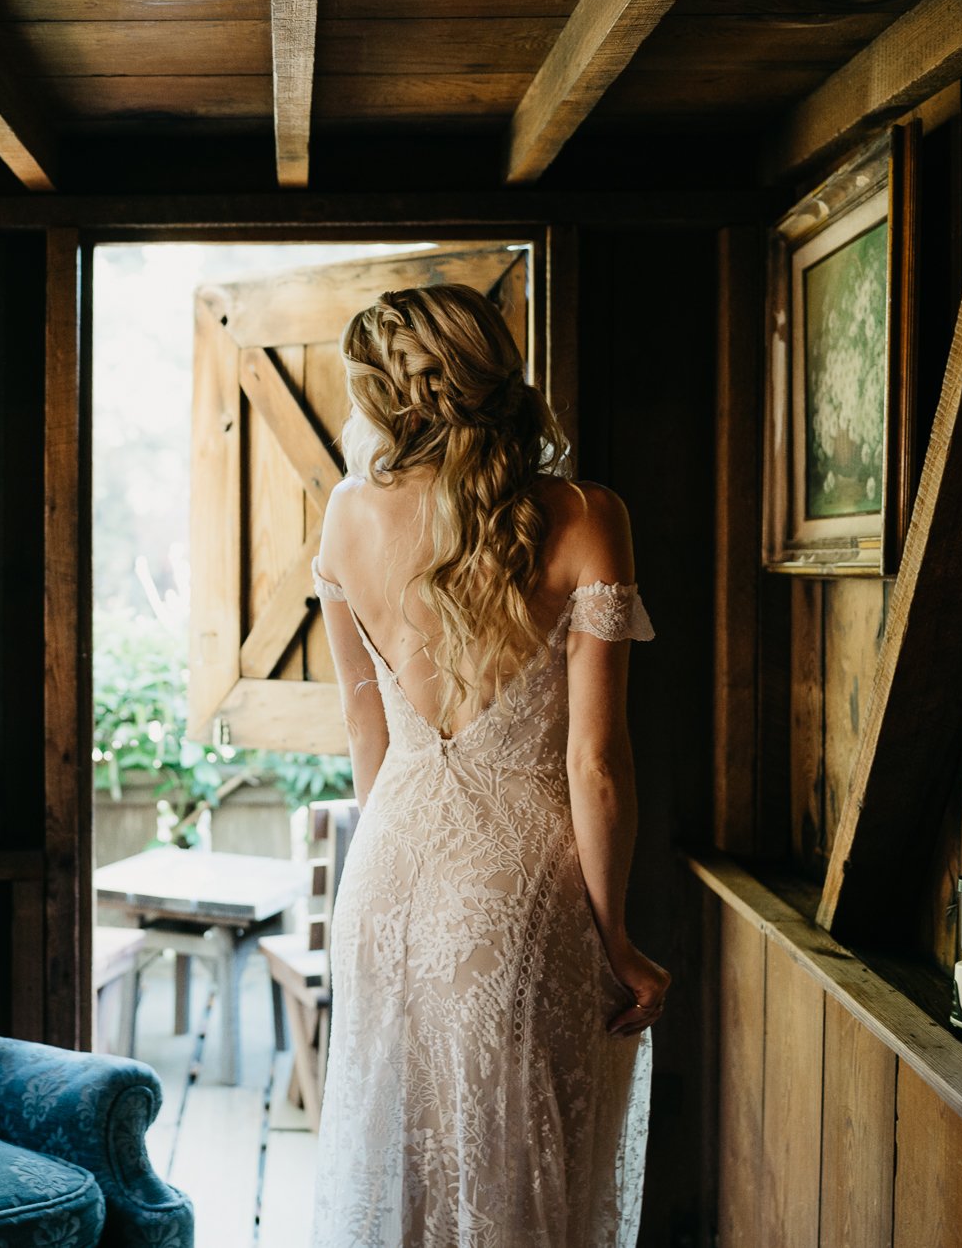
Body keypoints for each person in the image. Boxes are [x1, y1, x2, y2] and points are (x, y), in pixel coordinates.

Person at [308, 283, 669, 1248]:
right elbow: (596, 762)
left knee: (402, 1169)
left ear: (389, 392)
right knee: (511, 1175)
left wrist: (398, 844)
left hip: (382, 880)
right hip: (513, 895)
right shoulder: (589, 515)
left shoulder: (346, 515)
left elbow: (363, 724)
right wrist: (616, 936)